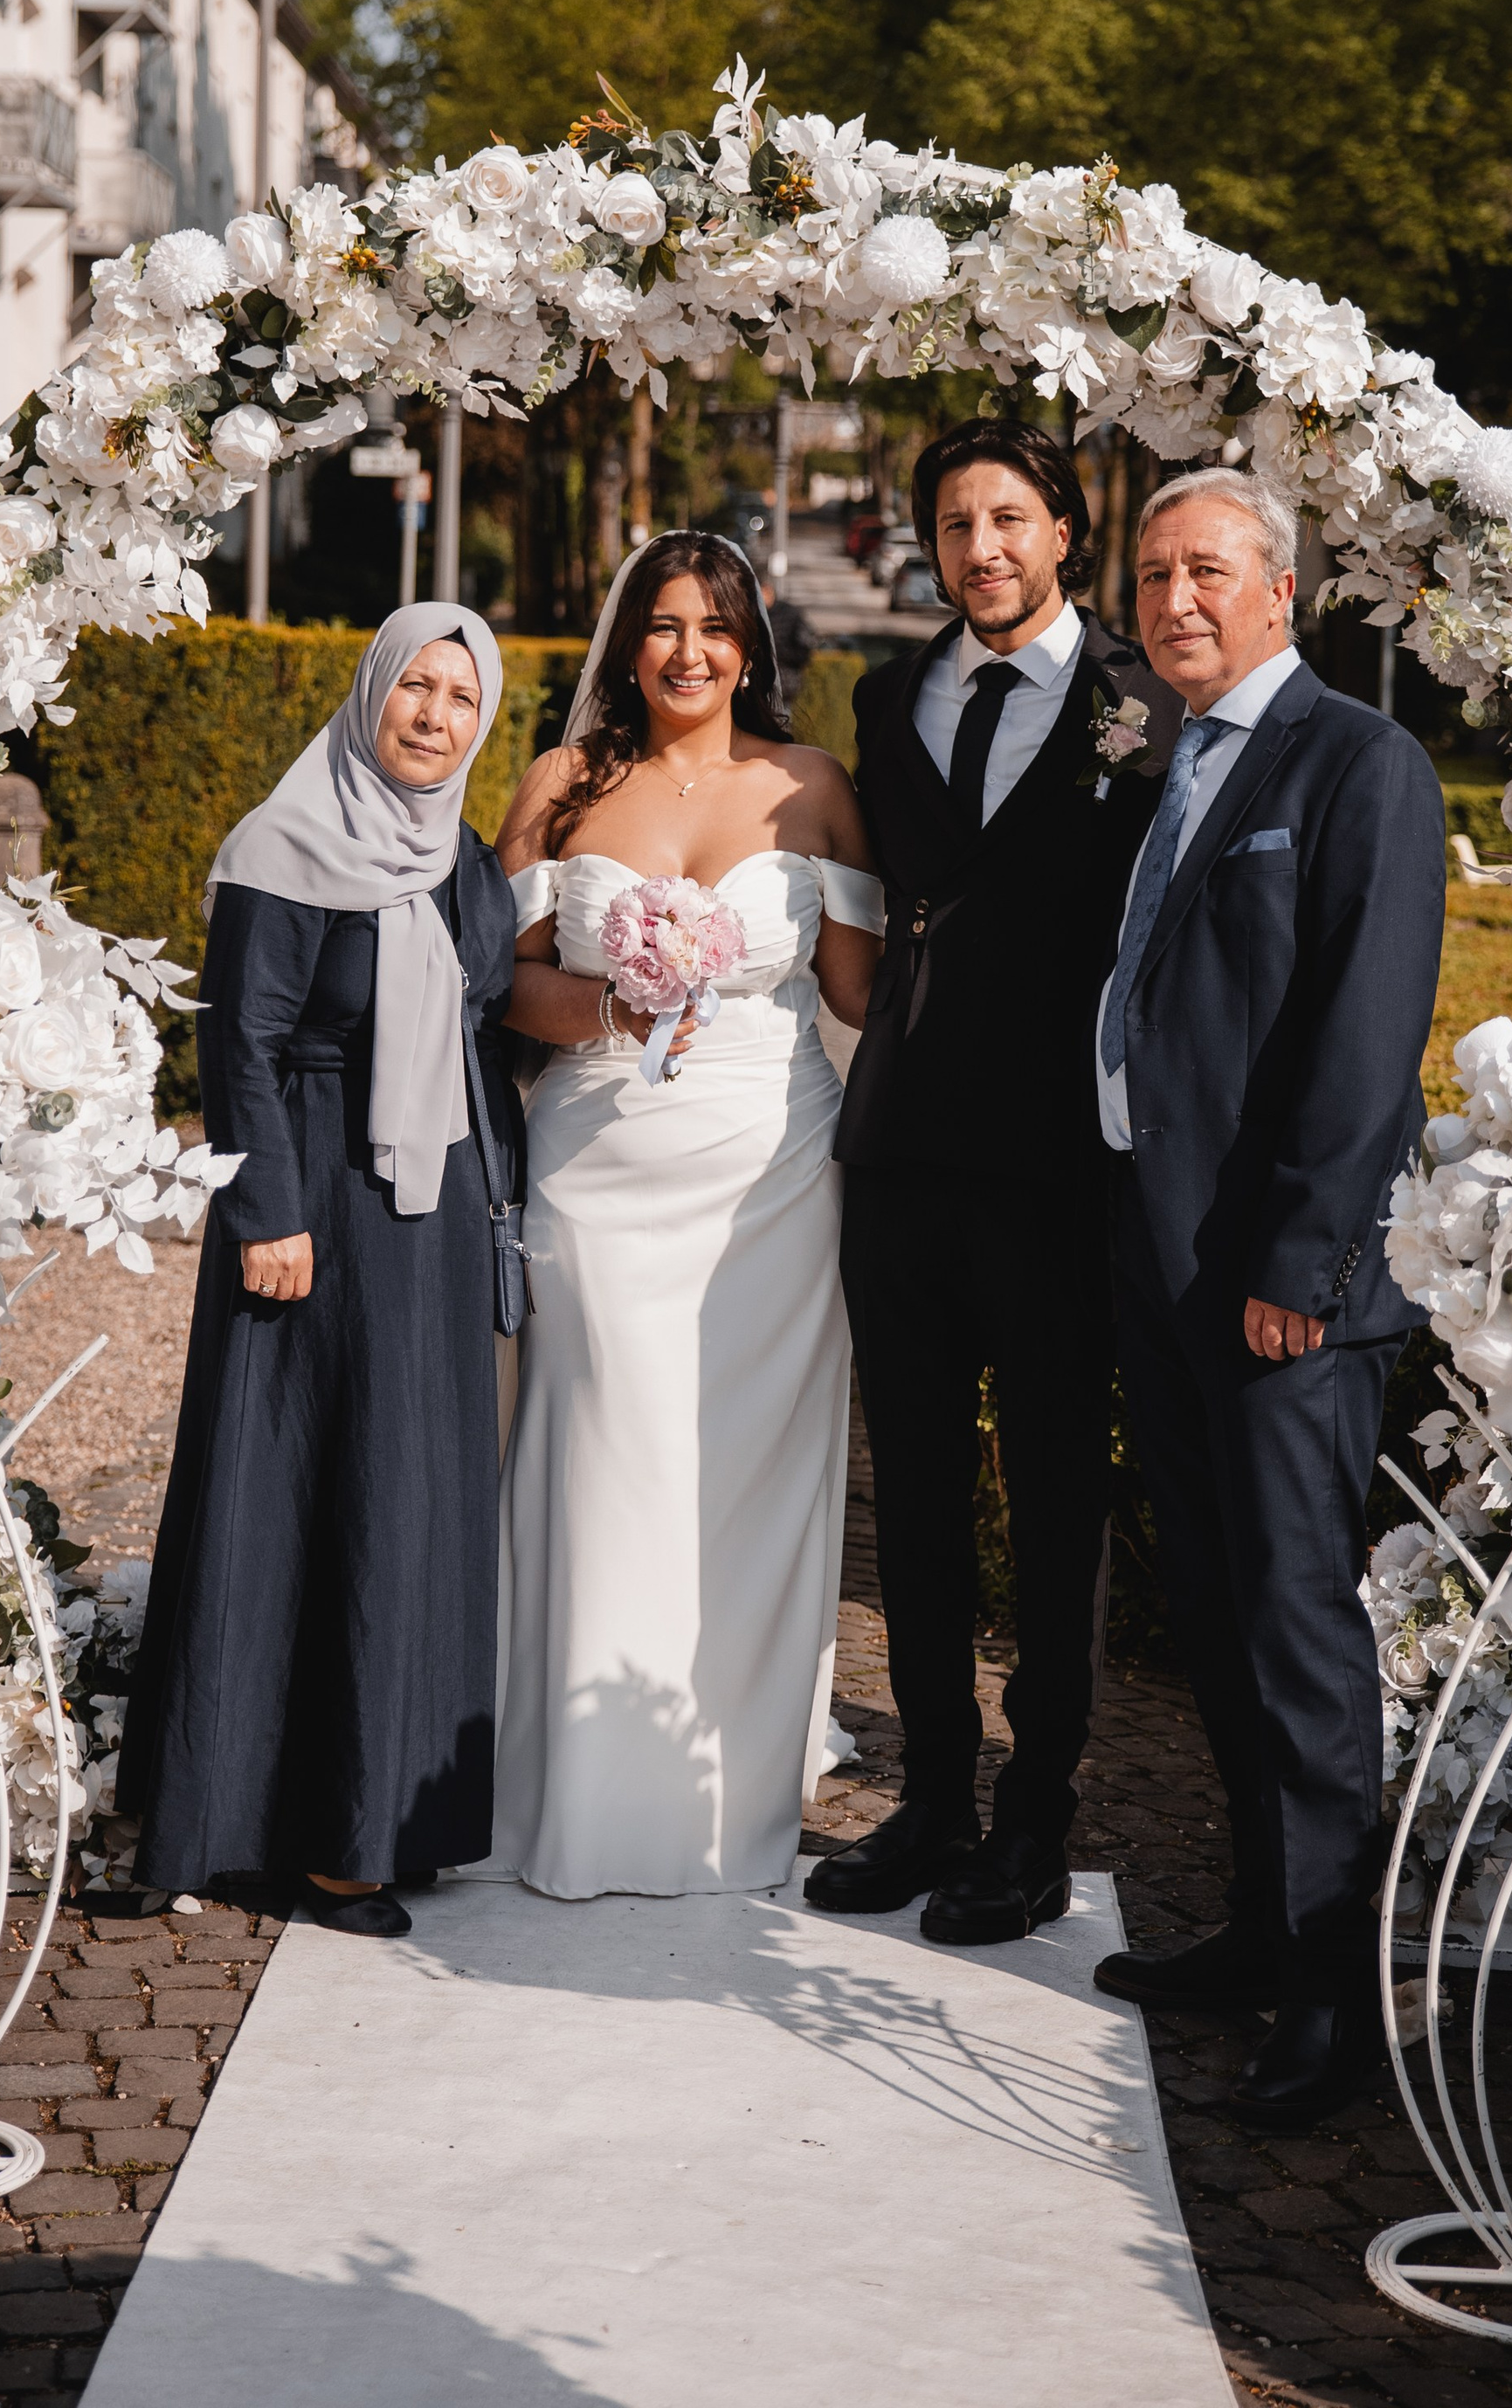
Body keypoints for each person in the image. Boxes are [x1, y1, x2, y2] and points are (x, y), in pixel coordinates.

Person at [1088, 469, 1444, 2127]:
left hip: (1281, 1298)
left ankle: (1332, 1992)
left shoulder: (1359, 763)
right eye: (1153, 574)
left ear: (1281, 590)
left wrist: (1301, 1271)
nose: (1173, 600)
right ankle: (1252, 1932)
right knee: (1220, 1627)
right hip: (1164, 1278)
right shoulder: (1173, 763)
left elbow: (1363, 1049)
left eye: (1206, 571)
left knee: (1301, 1640)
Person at [813, 419, 1177, 1944]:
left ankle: (1035, 1817)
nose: (983, 550)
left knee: (1050, 1498)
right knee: (911, 1486)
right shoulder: (886, 698)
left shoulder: (1148, 709)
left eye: (1010, 520)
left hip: (1052, 1173)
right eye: (958, 524)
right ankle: (937, 1797)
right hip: (897, 1156)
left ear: (1065, 535)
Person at [484, 531, 885, 1897]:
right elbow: (503, 986)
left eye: (716, 627)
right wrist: (614, 1002)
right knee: (605, 1454)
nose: (689, 652)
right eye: (662, 625)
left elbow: (858, 992)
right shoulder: (559, 782)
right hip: (596, 1170)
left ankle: (728, 1796)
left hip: (774, 1180)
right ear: (626, 640)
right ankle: (582, 1800)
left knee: (743, 1475)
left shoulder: (816, 787)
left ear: (754, 642)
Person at [120, 605, 523, 1938]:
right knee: (277, 1493)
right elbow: (239, 1047)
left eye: (461, 699)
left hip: (429, 1219)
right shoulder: (284, 844)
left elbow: (487, 1028)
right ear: (368, 695)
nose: (433, 716)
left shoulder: (464, 863)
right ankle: (230, 1822)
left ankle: (368, 1828)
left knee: (398, 1505)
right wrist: (268, 1216)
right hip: (309, 1210)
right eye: (413, 686)